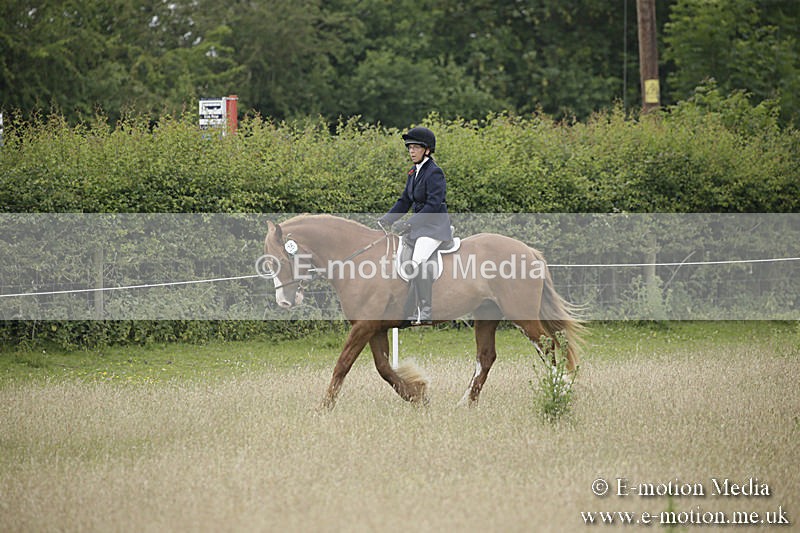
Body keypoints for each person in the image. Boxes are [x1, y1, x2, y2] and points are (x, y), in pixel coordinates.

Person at [379, 127, 452, 325]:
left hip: (434, 227)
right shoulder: (414, 172)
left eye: (416, 147)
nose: (411, 151)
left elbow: (433, 205)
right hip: (420, 227)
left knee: (418, 260)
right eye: (409, 147)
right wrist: (387, 219)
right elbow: (405, 200)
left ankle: (425, 310)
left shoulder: (434, 172)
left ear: (427, 150)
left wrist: (409, 223)